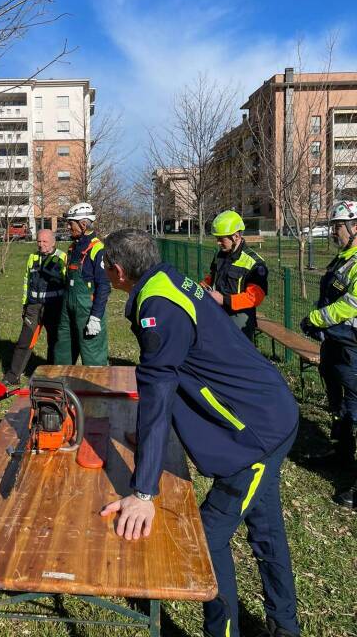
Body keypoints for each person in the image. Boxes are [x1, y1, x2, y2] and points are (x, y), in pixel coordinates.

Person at [100, 229, 300, 637]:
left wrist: (142, 493)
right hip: (266, 410)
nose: (104, 272)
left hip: (256, 433)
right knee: (266, 530)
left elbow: (158, 391)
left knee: (207, 537)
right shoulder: (165, 277)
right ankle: (285, 626)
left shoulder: (157, 304)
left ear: (118, 271)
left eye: (105, 266)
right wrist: (147, 438)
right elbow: (175, 375)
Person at [300, 200, 357, 510]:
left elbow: (350, 305)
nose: (334, 231)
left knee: (355, 408)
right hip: (336, 347)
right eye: (334, 226)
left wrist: (316, 319)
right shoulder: (343, 260)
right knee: (339, 405)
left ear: (355, 226)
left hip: (353, 348)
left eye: (338, 226)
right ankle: (342, 454)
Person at [3, 229, 66, 386]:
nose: (41, 245)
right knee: (24, 341)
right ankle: (13, 376)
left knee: (54, 342)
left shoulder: (62, 257)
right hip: (33, 307)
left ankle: (53, 376)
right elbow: (26, 281)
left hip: (54, 306)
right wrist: (25, 304)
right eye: (39, 241)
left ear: (53, 242)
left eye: (45, 241)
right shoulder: (32, 257)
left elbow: (67, 283)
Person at [54, 202, 110, 366]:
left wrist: (96, 317)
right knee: (63, 348)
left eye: (71, 224)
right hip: (68, 306)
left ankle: (97, 388)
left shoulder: (97, 249)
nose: (69, 227)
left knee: (93, 354)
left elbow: (104, 286)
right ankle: (62, 385)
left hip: (87, 310)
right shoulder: (74, 247)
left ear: (83, 224)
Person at [202, 210, 268, 340]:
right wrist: (202, 286)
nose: (218, 243)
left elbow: (254, 298)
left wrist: (223, 300)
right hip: (217, 314)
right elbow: (212, 277)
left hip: (239, 320)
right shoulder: (220, 254)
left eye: (221, 239)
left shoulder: (255, 263)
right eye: (217, 238)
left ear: (236, 236)